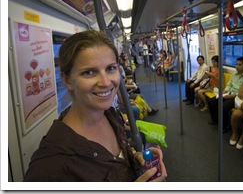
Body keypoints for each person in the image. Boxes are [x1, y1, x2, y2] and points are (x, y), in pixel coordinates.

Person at [23, 30, 167, 182]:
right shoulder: (51, 166)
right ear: (66, 80)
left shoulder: (110, 115)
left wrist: (133, 157)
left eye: (111, 68)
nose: (105, 82)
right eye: (89, 72)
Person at [207, 57, 243, 132]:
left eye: (240, 65)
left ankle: (225, 126)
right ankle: (215, 120)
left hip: (237, 97)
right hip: (228, 93)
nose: (237, 66)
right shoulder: (234, 74)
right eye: (236, 64)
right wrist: (225, 91)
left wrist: (231, 95)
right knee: (211, 101)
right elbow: (229, 84)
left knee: (223, 106)